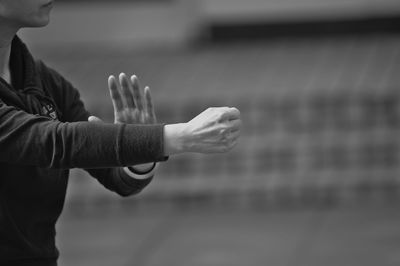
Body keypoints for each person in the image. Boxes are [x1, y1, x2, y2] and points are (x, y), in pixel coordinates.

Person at [0, 1, 242, 265]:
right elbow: (55, 141)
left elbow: (117, 177)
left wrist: (138, 154)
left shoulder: (46, 82)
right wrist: (180, 136)